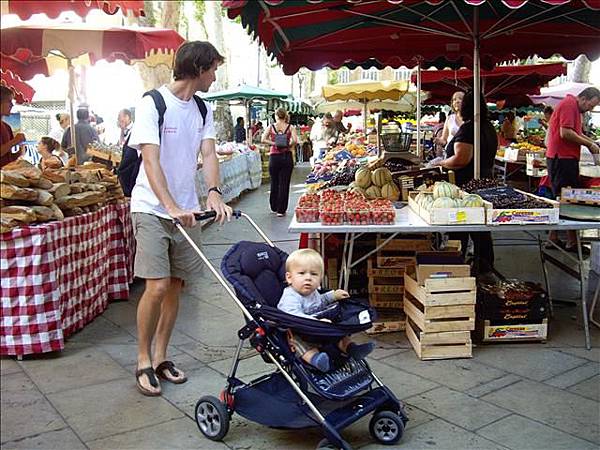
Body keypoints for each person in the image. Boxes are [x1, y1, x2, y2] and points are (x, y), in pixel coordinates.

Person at [128, 40, 233, 397]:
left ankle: (161, 357)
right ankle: (142, 358)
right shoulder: (152, 103)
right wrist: (170, 205)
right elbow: (150, 160)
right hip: (151, 208)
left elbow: (209, 152)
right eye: (214, 69)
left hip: (186, 211)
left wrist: (215, 192)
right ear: (199, 68)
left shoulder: (202, 109)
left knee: (176, 287)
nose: (215, 76)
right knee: (156, 286)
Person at [433, 91, 498, 277]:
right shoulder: (488, 127)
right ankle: (484, 267)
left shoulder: (470, 129)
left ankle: (457, 268)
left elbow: (461, 159)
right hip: (486, 182)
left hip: (468, 187)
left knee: (461, 227)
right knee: (481, 231)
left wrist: (441, 163)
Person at [278, 249, 374, 372]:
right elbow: (293, 316)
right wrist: (316, 322)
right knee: (299, 343)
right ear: (289, 277)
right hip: (300, 330)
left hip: (320, 327)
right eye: (301, 273)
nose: (308, 278)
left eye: (314, 274)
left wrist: (332, 296)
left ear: (320, 278)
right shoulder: (290, 296)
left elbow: (320, 302)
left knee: (340, 335)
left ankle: (352, 349)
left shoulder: (313, 292)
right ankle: (316, 359)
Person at [546, 87, 600, 253]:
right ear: (583, 98)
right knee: (566, 196)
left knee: (564, 196)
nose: (589, 109)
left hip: (565, 158)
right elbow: (566, 133)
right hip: (561, 158)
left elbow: (577, 133)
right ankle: (569, 240)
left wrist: (592, 142)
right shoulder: (569, 104)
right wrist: (589, 144)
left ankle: (555, 238)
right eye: (590, 105)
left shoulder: (574, 108)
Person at [261, 107, 298, 216]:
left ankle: (274, 206)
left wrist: (274, 143)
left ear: (276, 116)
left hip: (274, 157)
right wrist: (288, 144)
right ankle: (281, 210)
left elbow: (263, 139)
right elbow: (295, 140)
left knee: (274, 182)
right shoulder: (291, 127)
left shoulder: (271, 127)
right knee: (284, 183)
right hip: (286, 156)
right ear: (285, 115)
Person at [1, 86, 26, 168]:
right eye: (9, 101)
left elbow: (7, 158)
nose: (12, 105)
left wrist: (19, 153)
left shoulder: (7, 127)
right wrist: (14, 141)